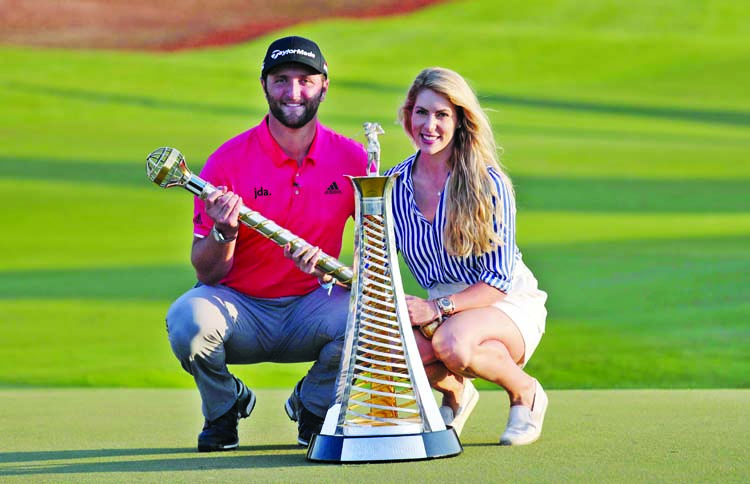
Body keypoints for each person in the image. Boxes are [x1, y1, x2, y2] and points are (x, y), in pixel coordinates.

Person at [165, 35, 368, 452]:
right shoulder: (228, 160)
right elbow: (206, 271)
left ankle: (312, 405)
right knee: (188, 322)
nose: (293, 93)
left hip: (313, 303)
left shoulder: (352, 160)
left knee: (370, 321)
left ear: (324, 85)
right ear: (264, 85)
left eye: (305, 81)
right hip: (241, 308)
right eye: (281, 80)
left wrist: (334, 271)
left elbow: (379, 247)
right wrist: (225, 232)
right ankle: (224, 408)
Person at [384, 67, 549, 445]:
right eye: (421, 112)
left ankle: (525, 393)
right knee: (392, 351)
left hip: (501, 300)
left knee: (453, 345)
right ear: (409, 115)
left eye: (442, 114)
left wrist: (437, 309)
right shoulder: (392, 185)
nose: (429, 124)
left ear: (459, 121)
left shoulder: (487, 182)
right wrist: (325, 267)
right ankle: (456, 393)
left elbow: (496, 281)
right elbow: (377, 259)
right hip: (445, 309)